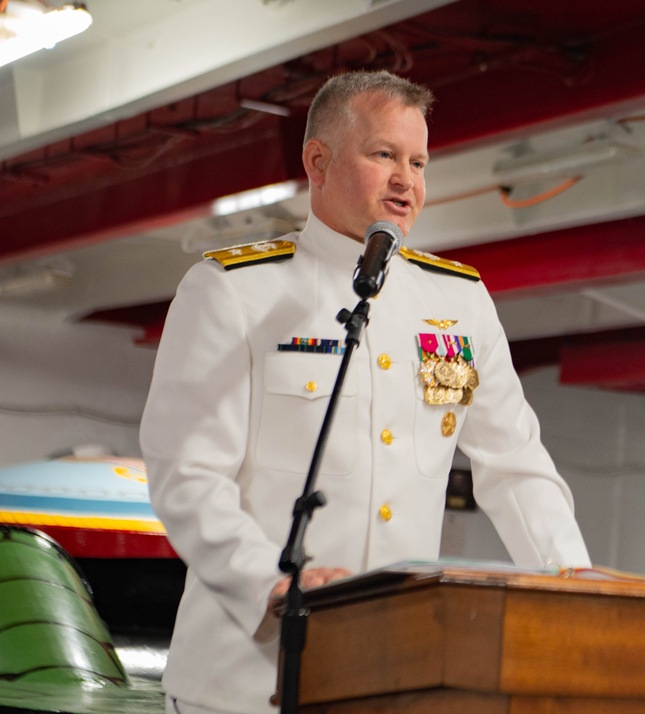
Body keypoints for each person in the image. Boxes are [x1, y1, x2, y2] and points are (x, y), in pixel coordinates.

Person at [140, 70, 591, 714]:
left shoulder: (458, 302)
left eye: (418, 161)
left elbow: (515, 465)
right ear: (317, 161)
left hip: (391, 675)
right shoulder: (234, 291)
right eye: (383, 155)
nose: (406, 180)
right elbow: (186, 474)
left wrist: (570, 577)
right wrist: (268, 582)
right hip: (243, 680)